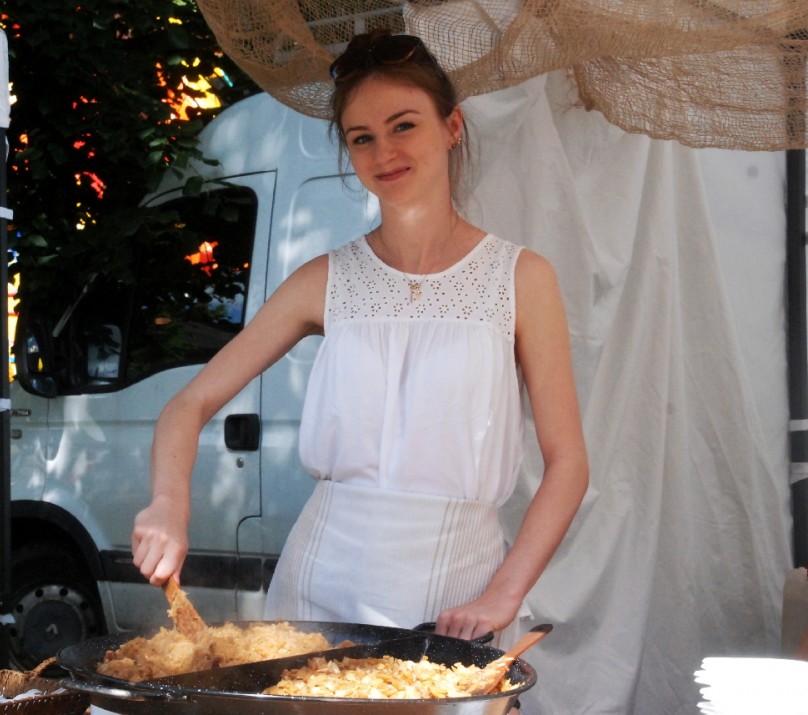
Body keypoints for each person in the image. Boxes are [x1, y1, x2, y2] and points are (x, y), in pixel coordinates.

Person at [132, 28, 588, 645]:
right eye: (362, 137)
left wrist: (504, 594)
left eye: (404, 126)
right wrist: (168, 505)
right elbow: (187, 404)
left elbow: (568, 464)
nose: (384, 152)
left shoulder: (522, 278)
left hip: (459, 594)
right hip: (317, 591)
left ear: (452, 126)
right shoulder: (325, 279)